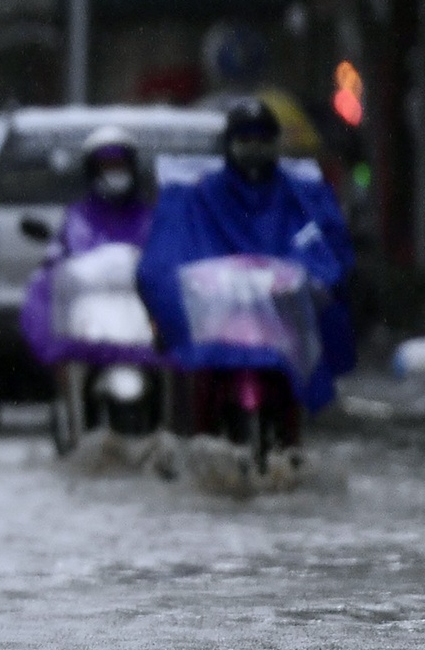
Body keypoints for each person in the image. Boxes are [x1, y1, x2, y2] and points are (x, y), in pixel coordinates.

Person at [136, 97, 355, 426]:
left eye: (262, 141)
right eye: (245, 141)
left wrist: (312, 279)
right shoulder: (196, 197)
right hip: (219, 333)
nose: (254, 150)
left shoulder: (302, 198)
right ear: (229, 145)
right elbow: (164, 259)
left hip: (282, 333)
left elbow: (327, 252)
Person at [18, 126, 153, 366]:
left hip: (143, 335)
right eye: (107, 167)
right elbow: (51, 277)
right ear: (93, 171)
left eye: (119, 166)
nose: (115, 173)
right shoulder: (76, 220)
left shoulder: (150, 220)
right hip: (91, 335)